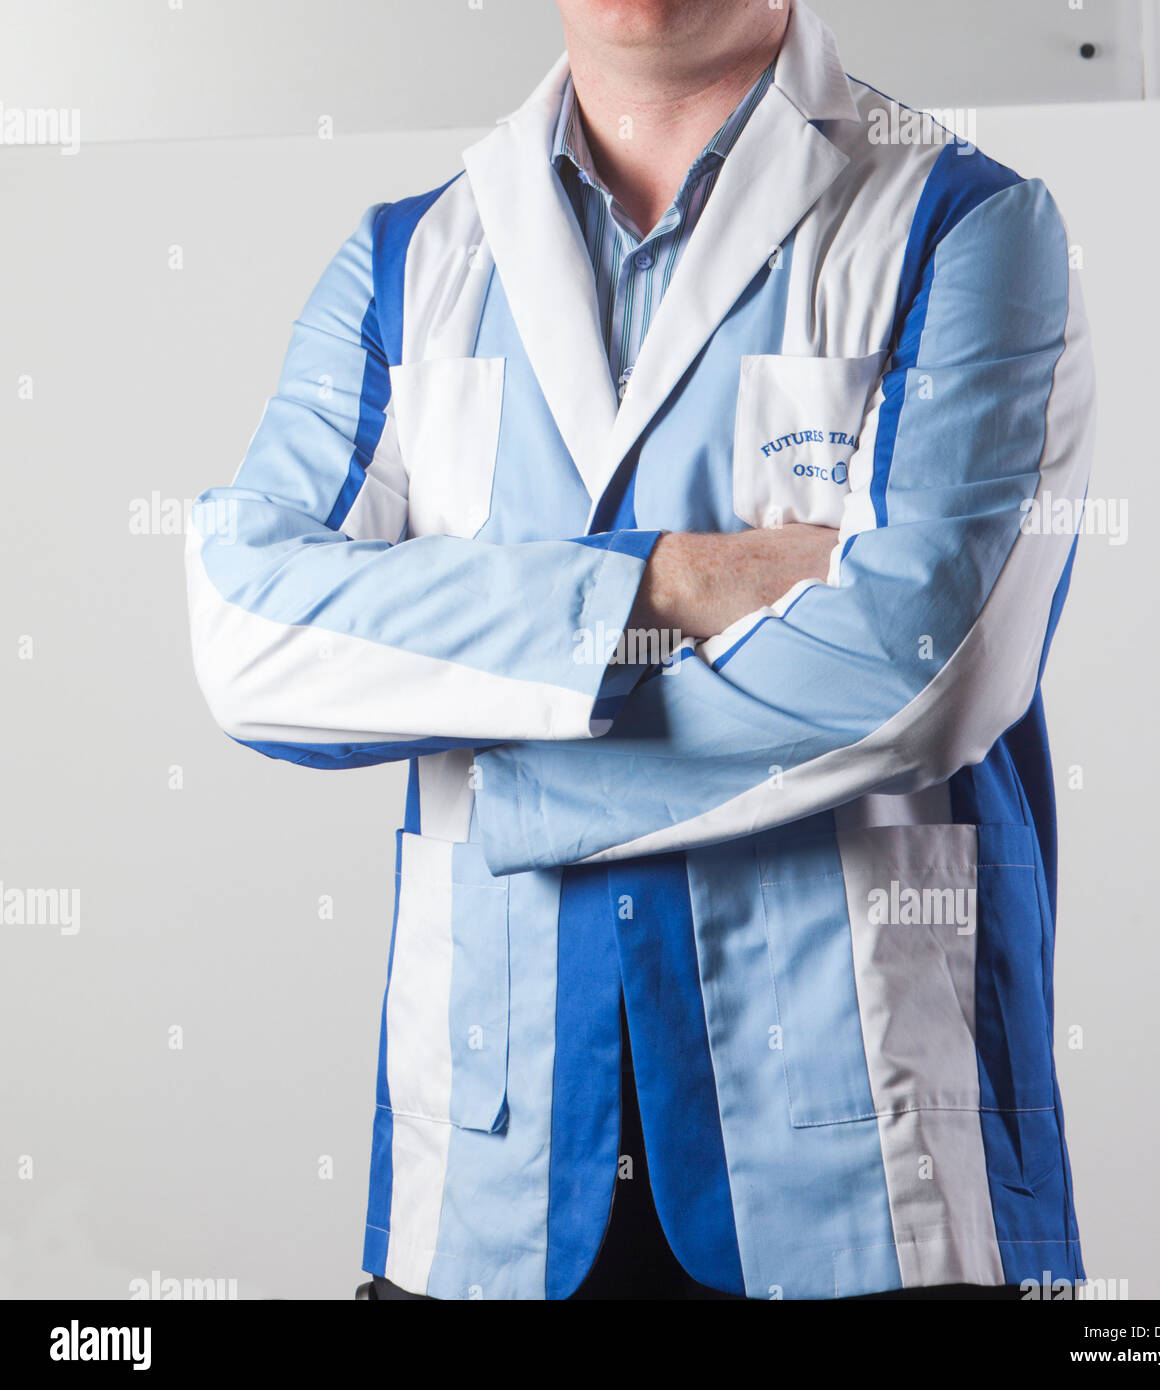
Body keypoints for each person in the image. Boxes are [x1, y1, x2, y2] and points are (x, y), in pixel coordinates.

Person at [186, 0, 1095, 1300]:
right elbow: (250, 631)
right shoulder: (403, 263)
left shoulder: (966, 226)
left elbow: (921, 667)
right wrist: (667, 582)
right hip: (490, 1208)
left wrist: (511, 773)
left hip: (870, 1191)